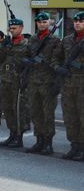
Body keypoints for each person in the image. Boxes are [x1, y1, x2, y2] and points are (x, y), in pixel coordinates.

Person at [23, 12, 60, 155]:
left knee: (47, 114)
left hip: (47, 82)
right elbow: (25, 55)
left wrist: (40, 61)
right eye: (39, 22)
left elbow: (56, 59)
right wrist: (26, 60)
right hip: (33, 82)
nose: (42, 24)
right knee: (35, 112)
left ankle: (48, 143)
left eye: (45, 22)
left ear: (49, 23)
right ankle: (39, 141)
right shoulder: (32, 39)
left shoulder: (55, 40)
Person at [52, 11, 84, 161]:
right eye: (76, 21)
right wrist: (58, 68)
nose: (77, 23)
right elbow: (55, 58)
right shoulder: (66, 40)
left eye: (81, 21)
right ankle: (74, 146)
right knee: (70, 117)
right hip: (68, 85)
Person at [0, 18, 30, 148]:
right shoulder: (8, 44)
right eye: (10, 29)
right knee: (8, 109)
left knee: (19, 109)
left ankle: (19, 136)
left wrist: (25, 79)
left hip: (18, 81)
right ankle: (12, 133)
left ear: (21, 28)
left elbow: (30, 63)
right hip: (6, 80)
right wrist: (3, 46)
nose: (12, 30)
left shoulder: (26, 43)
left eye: (14, 28)